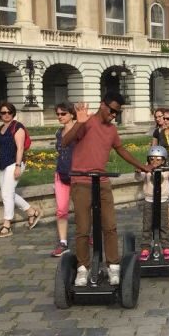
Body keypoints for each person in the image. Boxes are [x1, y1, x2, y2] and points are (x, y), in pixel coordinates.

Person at [62, 93, 149, 287]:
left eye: (117, 112)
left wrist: (143, 166)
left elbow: (121, 150)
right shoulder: (86, 122)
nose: (114, 115)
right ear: (102, 105)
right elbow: (66, 141)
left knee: (110, 226)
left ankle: (113, 267)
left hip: (101, 182)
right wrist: (79, 122)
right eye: (112, 110)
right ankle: (83, 269)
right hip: (81, 181)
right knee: (83, 228)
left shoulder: (111, 130)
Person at [0, 101, 41, 237]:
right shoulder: (1, 129)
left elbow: (20, 148)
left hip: (15, 163)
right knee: (7, 192)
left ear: (13, 113)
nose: (6, 115)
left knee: (6, 193)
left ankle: (6, 226)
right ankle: (31, 211)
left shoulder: (18, 127)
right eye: (3, 112)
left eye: (9, 112)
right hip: (3, 164)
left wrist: (17, 166)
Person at [134, 145, 169, 261]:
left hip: (162, 202)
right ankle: (146, 248)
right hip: (149, 201)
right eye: (152, 159)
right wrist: (138, 172)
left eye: (158, 159)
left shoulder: (166, 172)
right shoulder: (147, 171)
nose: (155, 161)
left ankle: (166, 247)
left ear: (163, 160)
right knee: (147, 225)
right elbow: (139, 178)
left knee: (164, 225)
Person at [51, 102, 76, 256]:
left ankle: (88, 235)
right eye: (58, 114)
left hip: (78, 175)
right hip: (61, 174)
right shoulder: (59, 133)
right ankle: (63, 242)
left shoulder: (79, 131)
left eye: (63, 114)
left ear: (71, 114)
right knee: (61, 210)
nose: (60, 117)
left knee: (84, 209)